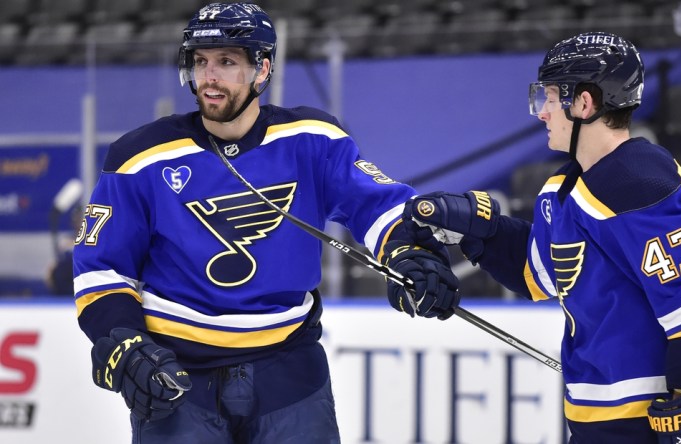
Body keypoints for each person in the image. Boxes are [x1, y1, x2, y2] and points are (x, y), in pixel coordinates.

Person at [71, 3, 459, 443]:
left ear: (263, 68)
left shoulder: (314, 140)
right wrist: (123, 339)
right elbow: (101, 268)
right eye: (200, 62)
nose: (209, 77)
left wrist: (409, 250)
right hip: (177, 375)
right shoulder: (140, 157)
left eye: (227, 62)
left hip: (289, 372)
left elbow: (378, 204)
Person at [400, 32, 681, 443]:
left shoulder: (638, 185)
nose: (541, 113)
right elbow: (537, 273)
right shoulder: (564, 188)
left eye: (549, 98)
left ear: (584, 103)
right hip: (599, 423)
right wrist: (482, 230)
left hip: (656, 426)